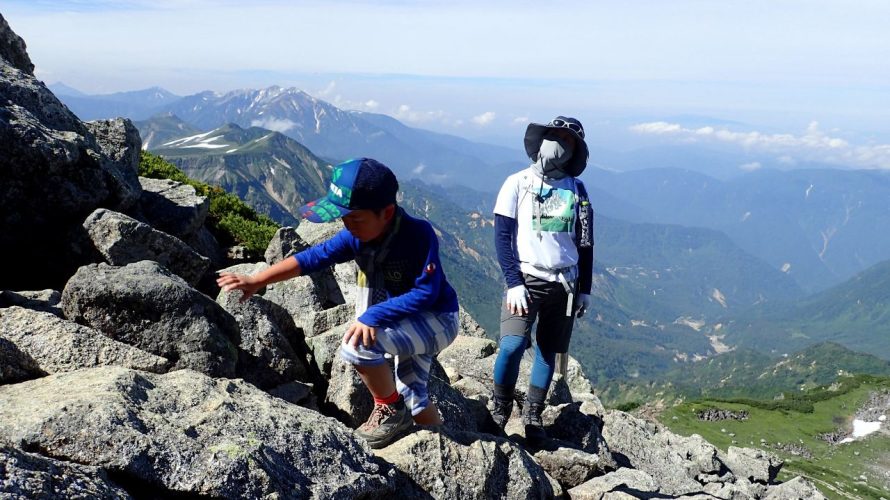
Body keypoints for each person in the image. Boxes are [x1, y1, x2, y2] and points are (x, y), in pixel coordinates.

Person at [217, 157, 460, 449]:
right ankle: (445, 447)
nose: (347, 225)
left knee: (357, 346)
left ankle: (390, 410)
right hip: (405, 320)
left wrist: (374, 316)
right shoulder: (357, 236)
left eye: (355, 218)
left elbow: (427, 294)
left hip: (438, 319)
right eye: (343, 218)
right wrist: (258, 280)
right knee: (414, 397)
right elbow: (311, 259)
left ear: (386, 212)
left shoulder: (418, 235)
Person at [490, 116, 594, 446]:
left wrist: (585, 290)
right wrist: (513, 281)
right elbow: (502, 236)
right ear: (543, 138)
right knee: (512, 345)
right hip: (526, 279)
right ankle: (500, 407)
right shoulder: (517, 183)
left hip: (565, 285)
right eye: (556, 135)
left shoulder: (578, 191)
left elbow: (586, 243)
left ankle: (532, 417)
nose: (560, 143)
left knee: (548, 353)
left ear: (574, 151)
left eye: (569, 140)